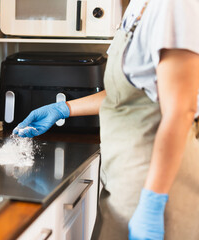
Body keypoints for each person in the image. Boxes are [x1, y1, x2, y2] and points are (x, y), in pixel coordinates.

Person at [12, 0, 199, 239]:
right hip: (123, 179)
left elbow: (180, 110)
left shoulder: (173, 6)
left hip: (155, 185)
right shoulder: (137, 6)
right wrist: (62, 109)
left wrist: (153, 202)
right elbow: (126, 92)